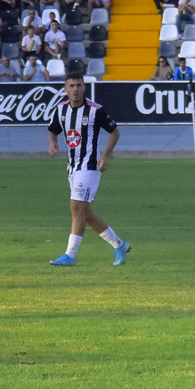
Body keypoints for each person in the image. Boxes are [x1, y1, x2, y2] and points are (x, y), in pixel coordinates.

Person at [46, 72, 130, 267]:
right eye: (71, 86)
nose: (75, 89)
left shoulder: (95, 111)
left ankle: (70, 255)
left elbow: (114, 132)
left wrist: (105, 155)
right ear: (65, 89)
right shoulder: (60, 110)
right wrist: (52, 143)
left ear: (84, 87)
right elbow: (52, 130)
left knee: (76, 208)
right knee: (87, 215)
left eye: (79, 85)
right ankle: (119, 245)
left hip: (89, 167)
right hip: (72, 167)